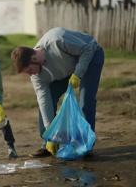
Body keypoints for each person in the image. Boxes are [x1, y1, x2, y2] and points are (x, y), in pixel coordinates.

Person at [11, 28, 104, 158]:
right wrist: (51, 135)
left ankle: (86, 145)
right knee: (48, 99)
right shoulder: (36, 75)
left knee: (85, 100)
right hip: (67, 69)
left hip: (91, 56)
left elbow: (88, 48)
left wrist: (78, 74)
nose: (30, 74)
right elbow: (44, 100)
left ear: (34, 57)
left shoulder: (57, 40)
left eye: (29, 70)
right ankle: (48, 144)